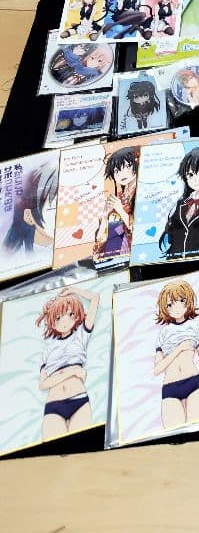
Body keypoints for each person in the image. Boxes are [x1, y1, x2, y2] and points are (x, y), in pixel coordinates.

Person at [153, 279, 199, 428]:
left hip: (194, 384)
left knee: (197, 431)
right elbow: (157, 369)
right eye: (170, 304)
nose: (176, 307)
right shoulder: (163, 333)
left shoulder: (195, 326)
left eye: (181, 301)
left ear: (188, 301)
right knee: (174, 434)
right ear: (164, 308)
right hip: (170, 388)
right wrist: (179, 349)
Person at [37, 288, 102, 440]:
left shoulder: (81, 335)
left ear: (76, 315)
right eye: (58, 318)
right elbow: (43, 384)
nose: (65, 321)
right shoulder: (47, 351)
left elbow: (95, 297)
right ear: (52, 322)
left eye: (70, 314)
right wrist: (72, 372)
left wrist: (72, 290)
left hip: (79, 400)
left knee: (83, 447)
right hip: (54, 405)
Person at [94, 147, 138, 263]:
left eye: (127, 166)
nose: (121, 173)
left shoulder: (142, 192)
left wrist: (120, 210)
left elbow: (139, 228)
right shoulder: (118, 197)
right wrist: (105, 216)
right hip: (114, 247)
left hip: (130, 249)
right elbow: (101, 237)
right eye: (116, 171)